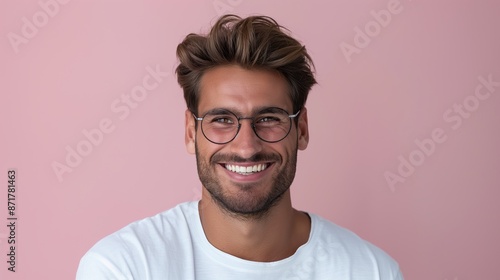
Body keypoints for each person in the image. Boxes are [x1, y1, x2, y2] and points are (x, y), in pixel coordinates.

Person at [76, 14, 404, 279]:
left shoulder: (370, 272)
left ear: (301, 130)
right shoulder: (124, 267)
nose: (247, 147)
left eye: (269, 118)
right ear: (191, 132)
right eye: (222, 119)